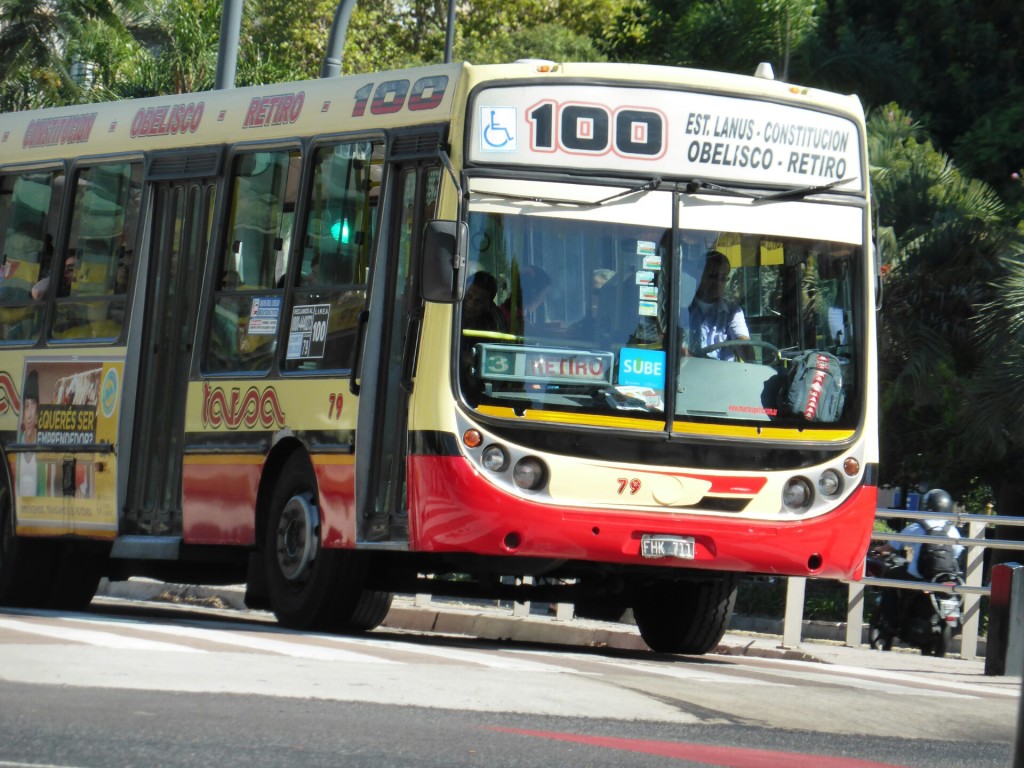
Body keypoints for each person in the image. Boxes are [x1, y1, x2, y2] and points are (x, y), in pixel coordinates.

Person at [876, 488, 964, 628]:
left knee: (890, 575)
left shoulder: (918, 527)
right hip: (944, 578)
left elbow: (893, 545)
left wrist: (878, 550)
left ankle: (889, 621)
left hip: (918, 575)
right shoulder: (953, 531)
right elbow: (957, 553)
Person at [681, 250, 752, 361]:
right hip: (690, 372)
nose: (718, 283)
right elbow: (679, 348)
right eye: (713, 276)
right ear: (699, 275)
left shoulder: (733, 312)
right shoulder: (683, 307)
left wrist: (746, 351)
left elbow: (743, 343)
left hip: (724, 376)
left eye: (723, 278)